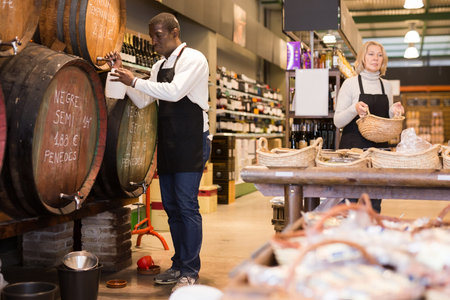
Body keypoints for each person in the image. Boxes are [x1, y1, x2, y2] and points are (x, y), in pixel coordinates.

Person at [104, 12, 211, 292]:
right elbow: (143, 100)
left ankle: (190, 270)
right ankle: (178, 265)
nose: (153, 41)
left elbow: (174, 92)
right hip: (169, 142)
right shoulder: (158, 65)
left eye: (158, 35)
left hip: (191, 140)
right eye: (151, 36)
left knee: (187, 206)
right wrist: (122, 76)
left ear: (175, 32)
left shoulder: (194, 59)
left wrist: (135, 80)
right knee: (173, 208)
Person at [333, 41, 404, 213]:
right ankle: (346, 238)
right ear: (362, 58)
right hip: (353, 150)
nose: (376, 58)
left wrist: (393, 111)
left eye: (380, 55)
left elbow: (383, 118)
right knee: (348, 203)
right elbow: (337, 121)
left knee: (374, 204)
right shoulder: (350, 84)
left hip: (378, 152)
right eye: (371, 54)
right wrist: (354, 108)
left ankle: (369, 237)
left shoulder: (386, 86)